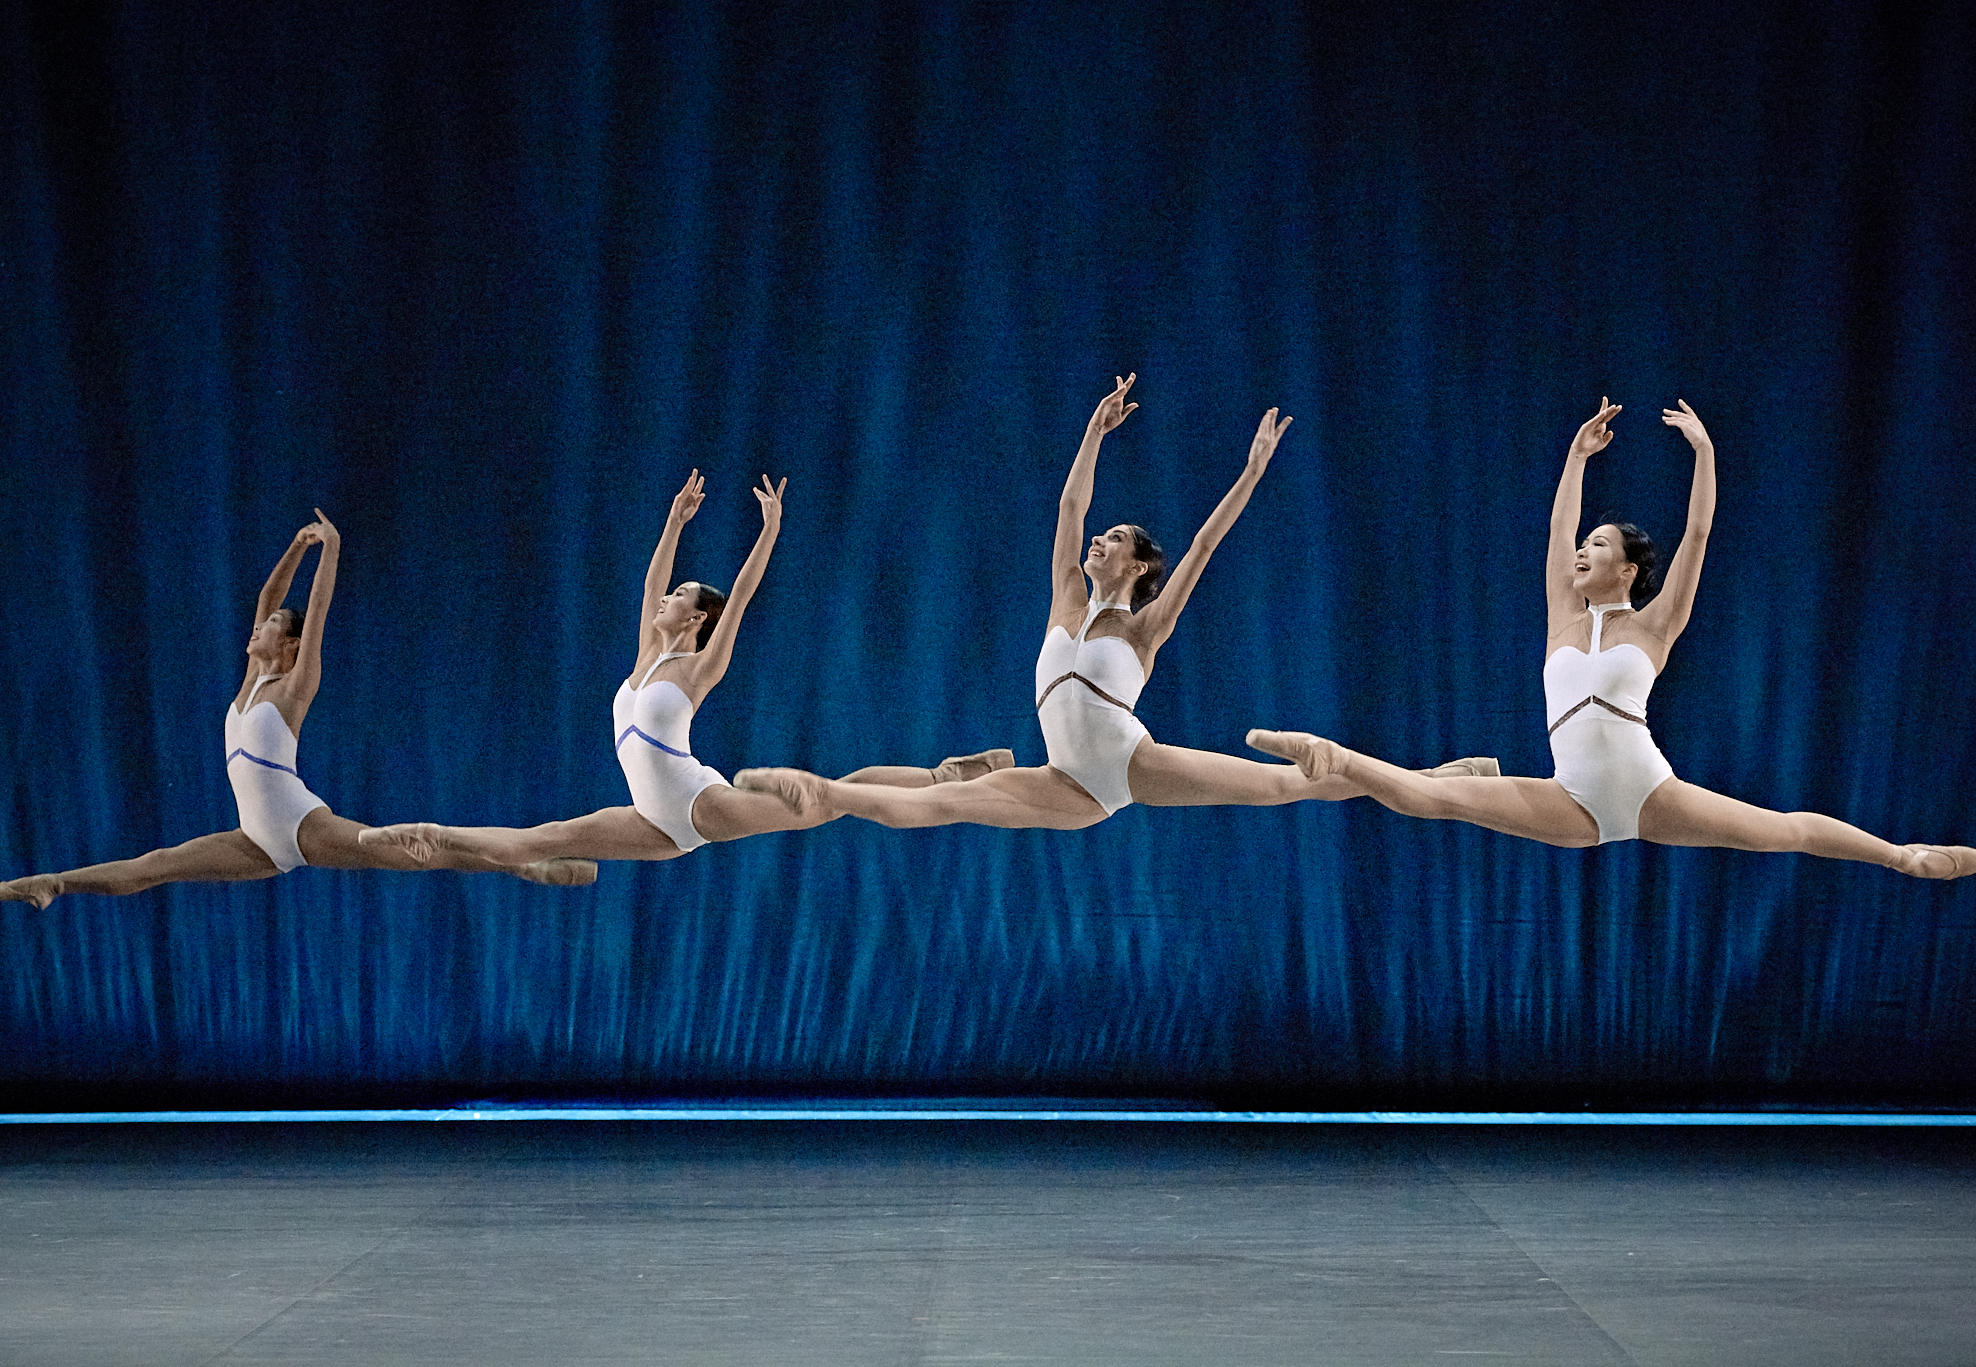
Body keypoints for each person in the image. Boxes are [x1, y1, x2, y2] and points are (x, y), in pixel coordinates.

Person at [1249, 398, 1976, 878]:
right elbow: (1556, 532)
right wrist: (1575, 459)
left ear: (1627, 566)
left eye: (1597, 546)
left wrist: (1703, 452)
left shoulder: (1655, 623)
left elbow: (1697, 533)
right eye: (1583, 547)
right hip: (1570, 798)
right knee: (1433, 800)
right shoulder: (1561, 617)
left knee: (1783, 829)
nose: (1581, 553)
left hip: (1649, 785)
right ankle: (1336, 753)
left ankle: (1903, 856)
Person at [733, 375, 1494, 831]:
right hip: (1067, 781)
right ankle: (822, 789)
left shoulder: (1144, 626)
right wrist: (1094, 431)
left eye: (1114, 537)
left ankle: (1443, 777)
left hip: (1132, 763)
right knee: (949, 803)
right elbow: (1068, 506)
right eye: (1101, 535)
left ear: (1137, 564)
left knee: (1283, 786)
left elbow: (1202, 547)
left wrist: (1252, 470)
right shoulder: (1067, 597)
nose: (1098, 539)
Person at [359, 472, 1011, 866]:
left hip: (702, 803)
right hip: (652, 819)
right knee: (548, 836)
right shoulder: (647, 654)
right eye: (673, 595)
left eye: (681, 597)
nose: (667, 599)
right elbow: (650, 584)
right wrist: (673, 522)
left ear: (697, 618)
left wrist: (771, 528)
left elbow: (744, 594)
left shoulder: (697, 666)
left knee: (831, 799)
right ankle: (434, 837)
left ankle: (945, 774)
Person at [0, 511, 596, 910]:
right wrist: (294, 548)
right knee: (157, 866)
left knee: (412, 852)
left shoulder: (295, 685)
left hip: (303, 823)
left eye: (270, 627)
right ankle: (53, 883)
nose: (257, 628)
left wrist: (330, 548)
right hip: (256, 839)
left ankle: (528, 865)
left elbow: (316, 610)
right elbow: (269, 595)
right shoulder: (253, 677)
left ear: (290, 645)